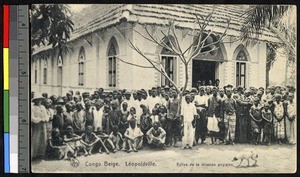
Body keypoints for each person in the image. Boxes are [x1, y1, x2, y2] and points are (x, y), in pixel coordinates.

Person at [31, 96, 49, 160]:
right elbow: (32, 117)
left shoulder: (43, 107)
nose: (38, 101)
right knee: (36, 139)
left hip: (43, 124)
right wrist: (38, 119)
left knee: (43, 138)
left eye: (40, 100)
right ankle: (34, 154)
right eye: (37, 100)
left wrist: (45, 119)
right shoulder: (33, 108)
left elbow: (47, 115)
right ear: (35, 101)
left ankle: (41, 154)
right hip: (36, 125)